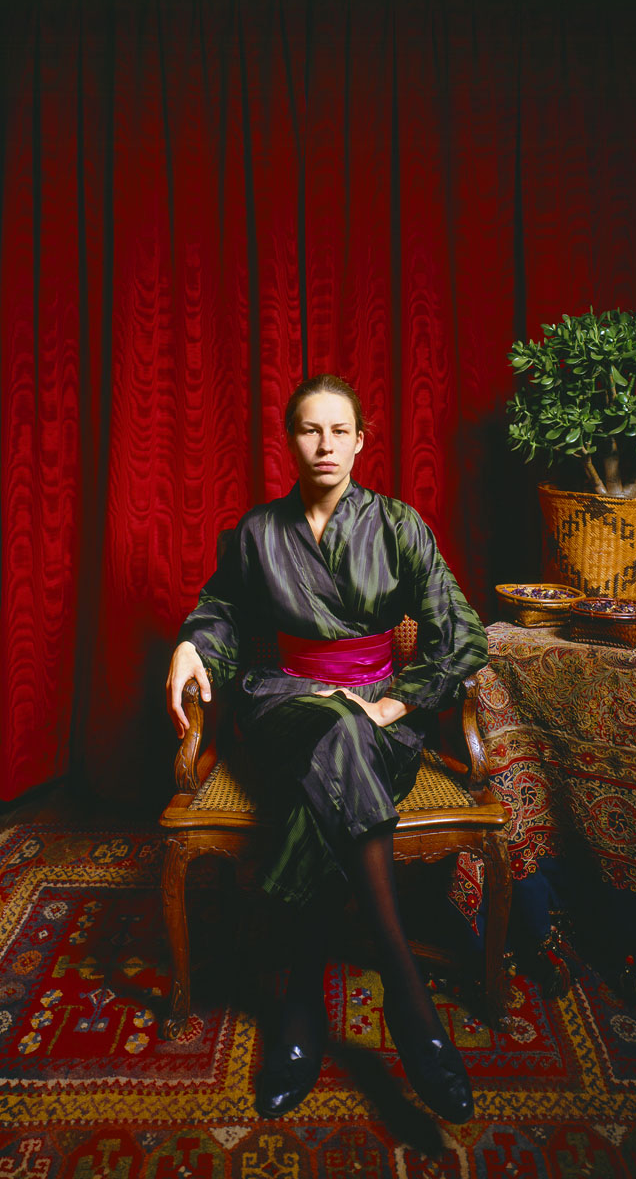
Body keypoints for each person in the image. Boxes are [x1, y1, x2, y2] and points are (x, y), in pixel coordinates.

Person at [165, 374, 488, 1123]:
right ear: (290, 440)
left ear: (361, 441)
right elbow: (218, 610)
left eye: (339, 431)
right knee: (327, 725)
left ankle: (302, 1002)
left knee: (343, 735)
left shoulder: (400, 526)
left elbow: (460, 632)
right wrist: (189, 644)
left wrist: (398, 701)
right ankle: (409, 1001)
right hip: (283, 702)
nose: (325, 445)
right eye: (309, 430)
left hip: (379, 717)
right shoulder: (256, 533)